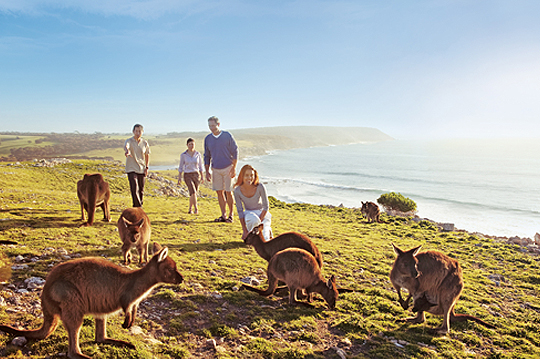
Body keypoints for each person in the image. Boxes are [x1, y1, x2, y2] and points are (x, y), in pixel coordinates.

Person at [204, 116, 238, 223]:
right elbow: (207, 155)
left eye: (213, 125)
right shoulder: (208, 139)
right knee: (219, 192)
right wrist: (207, 171)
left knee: (229, 192)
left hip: (228, 167)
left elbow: (235, 151)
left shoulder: (227, 136)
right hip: (215, 169)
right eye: (210, 126)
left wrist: (234, 167)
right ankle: (223, 215)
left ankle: (231, 215)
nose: (211, 128)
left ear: (218, 125)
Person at [234, 164, 272, 241]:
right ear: (242, 176)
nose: (249, 178)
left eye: (252, 175)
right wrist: (245, 230)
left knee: (265, 239)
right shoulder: (237, 191)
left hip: (262, 214)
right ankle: (262, 230)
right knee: (254, 220)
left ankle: (267, 230)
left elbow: (266, 206)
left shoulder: (260, 187)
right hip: (249, 214)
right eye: (246, 175)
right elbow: (240, 211)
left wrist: (260, 223)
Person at [124, 124, 150, 207]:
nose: (138, 133)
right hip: (131, 168)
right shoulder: (129, 141)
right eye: (136, 131)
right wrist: (127, 151)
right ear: (133, 132)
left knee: (141, 190)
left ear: (142, 132)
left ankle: (138, 205)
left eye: (140, 131)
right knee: (134, 188)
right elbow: (126, 146)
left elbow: (147, 155)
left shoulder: (145, 143)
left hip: (141, 168)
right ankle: (138, 206)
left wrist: (147, 167)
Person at [178, 138, 204, 214]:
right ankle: (196, 209)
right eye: (189, 144)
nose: (191, 146)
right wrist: (179, 177)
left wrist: (202, 176)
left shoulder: (198, 154)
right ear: (187, 145)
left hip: (196, 174)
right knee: (193, 192)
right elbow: (181, 166)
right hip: (187, 175)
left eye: (192, 144)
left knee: (194, 193)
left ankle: (190, 209)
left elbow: (200, 166)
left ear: (194, 144)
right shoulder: (183, 155)